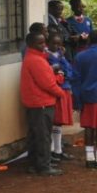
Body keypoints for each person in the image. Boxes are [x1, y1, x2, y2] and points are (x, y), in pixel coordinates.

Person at [20, 31, 64, 176]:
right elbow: (48, 84)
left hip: (35, 103)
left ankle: (34, 164)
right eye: (40, 43)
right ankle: (44, 166)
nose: (44, 45)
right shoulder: (36, 60)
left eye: (44, 42)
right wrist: (61, 93)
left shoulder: (33, 58)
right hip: (41, 103)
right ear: (31, 44)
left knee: (35, 134)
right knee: (43, 135)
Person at [47, 32, 74, 162]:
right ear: (48, 43)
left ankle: (58, 150)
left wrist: (64, 72)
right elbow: (51, 75)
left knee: (59, 121)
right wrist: (59, 74)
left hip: (65, 89)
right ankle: (53, 150)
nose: (57, 46)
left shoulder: (61, 56)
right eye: (54, 43)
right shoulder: (46, 57)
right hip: (56, 90)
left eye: (59, 44)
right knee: (55, 120)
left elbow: (69, 71)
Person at [76, 34, 97, 169]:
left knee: (88, 127)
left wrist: (78, 100)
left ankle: (90, 158)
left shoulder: (80, 56)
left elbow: (75, 79)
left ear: (89, 40)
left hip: (87, 96)